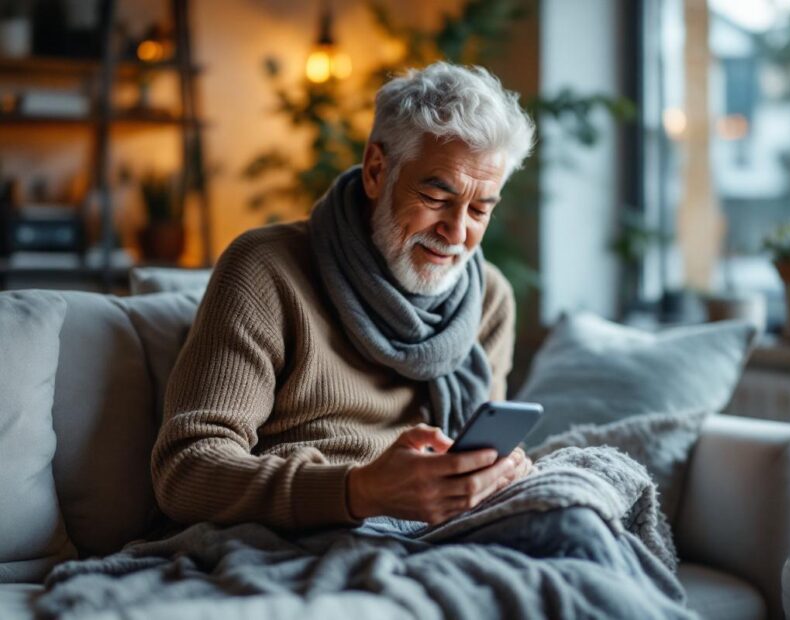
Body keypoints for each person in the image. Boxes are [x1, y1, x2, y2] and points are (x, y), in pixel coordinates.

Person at [151, 62, 538, 530]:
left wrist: (502, 474)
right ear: (377, 170)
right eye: (437, 198)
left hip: (442, 538)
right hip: (306, 539)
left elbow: (471, 461)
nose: (457, 232)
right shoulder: (266, 270)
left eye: (479, 209)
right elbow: (186, 470)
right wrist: (358, 492)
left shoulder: (488, 296)